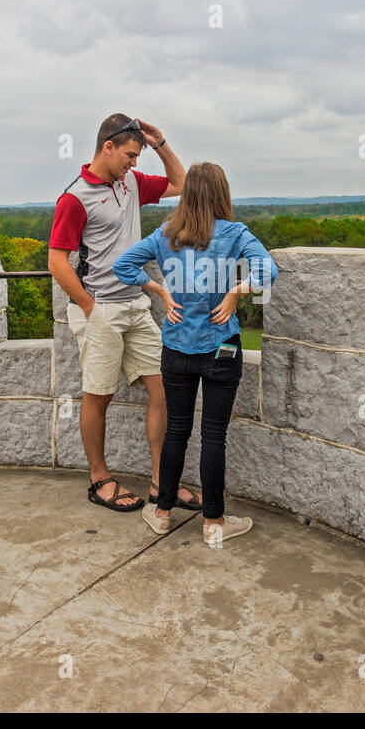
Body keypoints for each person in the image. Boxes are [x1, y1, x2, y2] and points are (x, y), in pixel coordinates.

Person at [112, 162, 278, 547]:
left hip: (176, 346)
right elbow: (267, 270)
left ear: (187, 195)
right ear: (222, 193)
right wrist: (237, 292)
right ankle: (215, 524)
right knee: (213, 436)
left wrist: (161, 292)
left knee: (177, 432)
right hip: (221, 347)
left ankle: (162, 513)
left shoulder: (166, 234)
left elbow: (122, 266)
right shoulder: (235, 234)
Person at [47, 114, 205, 513]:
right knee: (99, 395)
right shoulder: (75, 197)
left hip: (136, 305)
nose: (134, 163)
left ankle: (160, 482)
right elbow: (56, 261)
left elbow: (182, 185)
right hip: (101, 308)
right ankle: (99, 479)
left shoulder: (130, 184)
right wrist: (90, 306)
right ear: (108, 147)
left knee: (163, 387)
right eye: (130, 155)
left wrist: (160, 143)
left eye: (138, 156)